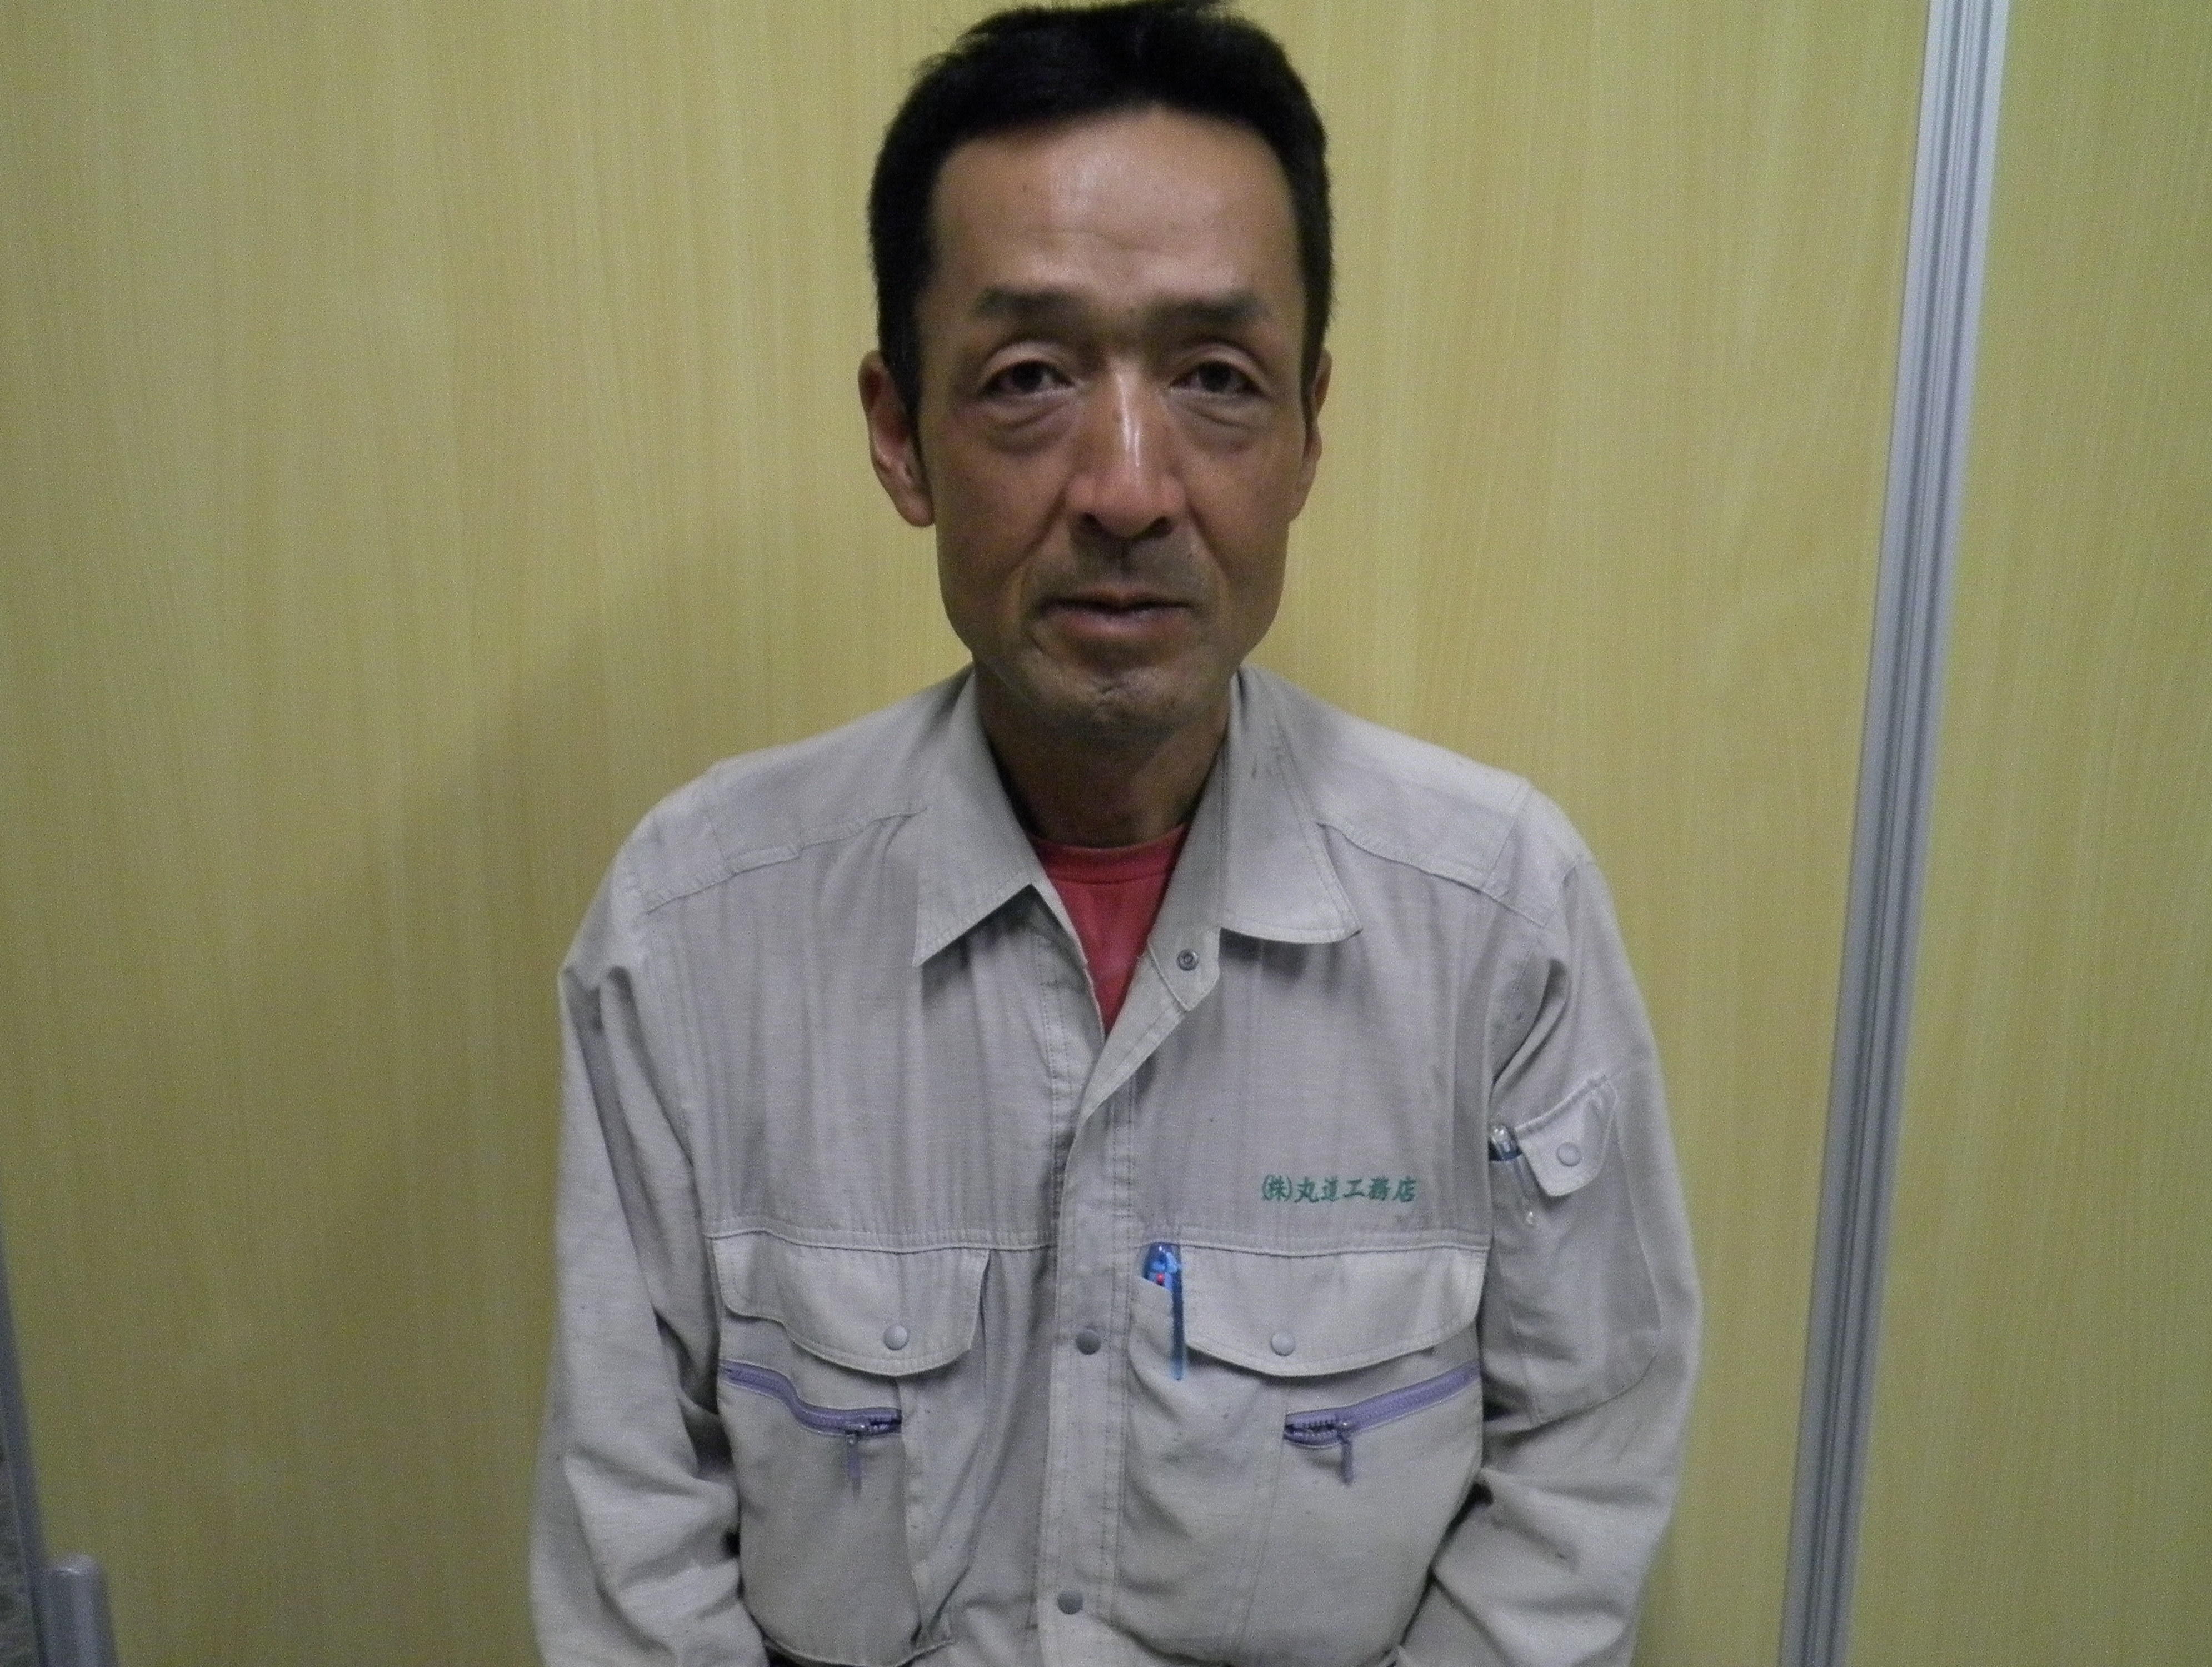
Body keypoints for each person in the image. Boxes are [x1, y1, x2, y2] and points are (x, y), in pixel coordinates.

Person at [531, 3, 1699, 1664]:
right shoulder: (694, 932)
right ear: (900, 433)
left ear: (1308, 430)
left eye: (1217, 380)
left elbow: (1583, 1475)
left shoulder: (1503, 920)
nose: (1131, 488)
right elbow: (633, 1539)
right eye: (1029, 379)